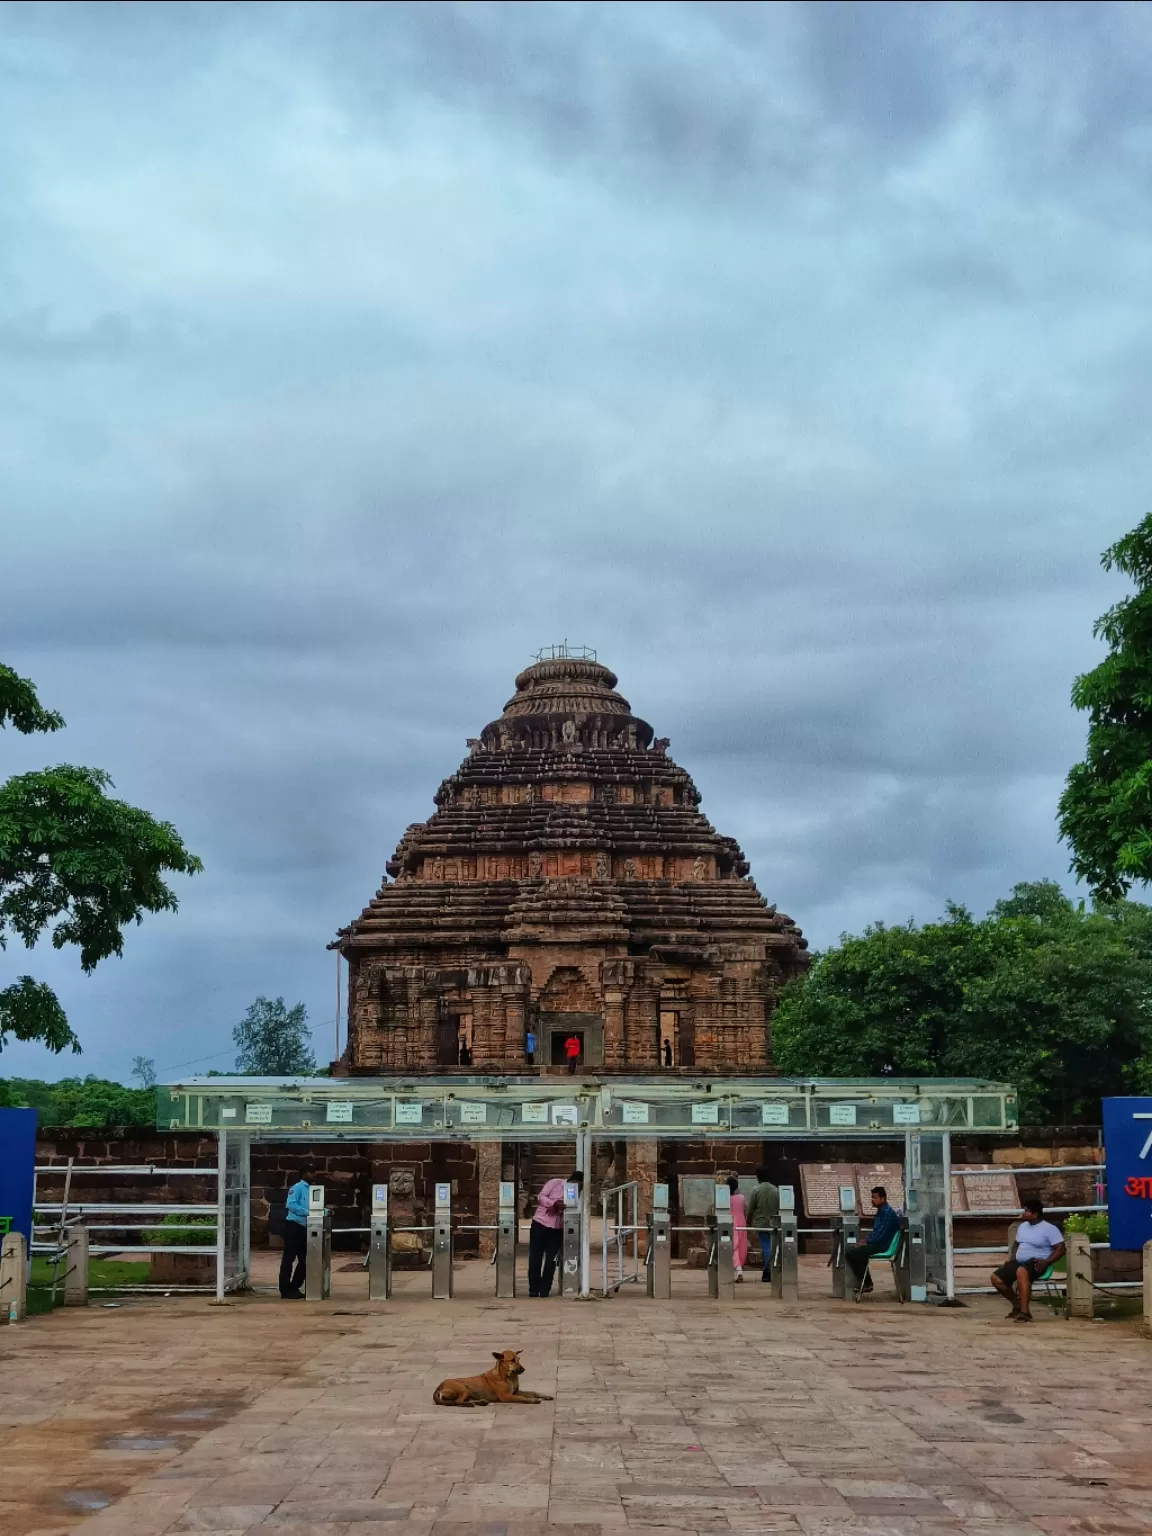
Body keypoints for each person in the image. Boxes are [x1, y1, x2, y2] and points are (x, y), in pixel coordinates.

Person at [990, 1199, 1066, 1322]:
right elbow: (1017, 1244)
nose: (1023, 1213)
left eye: (1026, 1211)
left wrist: (1046, 1262)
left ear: (1035, 1214)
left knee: (1021, 1271)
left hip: (1038, 1263)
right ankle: (1017, 1305)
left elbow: (1061, 1249)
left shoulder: (1049, 1228)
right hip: (1019, 1261)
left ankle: (1025, 1312)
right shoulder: (1022, 1227)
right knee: (996, 1279)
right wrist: (1010, 1259)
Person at [528, 1169, 582, 1296]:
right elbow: (541, 1197)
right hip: (540, 1223)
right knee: (535, 1258)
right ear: (572, 1180)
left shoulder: (578, 1195)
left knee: (551, 1260)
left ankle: (545, 1289)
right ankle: (533, 1289)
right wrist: (553, 1203)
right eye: (577, 1184)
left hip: (557, 1228)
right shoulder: (555, 1183)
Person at [846, 1186, 902, 1293]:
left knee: (856, 1252)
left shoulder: (887, 1212)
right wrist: (865, 1241)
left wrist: (866, 1242)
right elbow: (876, 1232)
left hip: (883, 1245)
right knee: (852, 1251)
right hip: (878, 1243)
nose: (873, 1200)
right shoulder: (881, 1211)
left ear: (882, 1199)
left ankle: (867, 1283)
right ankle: (866, 1282)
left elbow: (880, 1234)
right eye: (872, 1197)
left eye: (875, 1198)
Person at [280, 1171, 312, 1299]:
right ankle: (285, 1289)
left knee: (305, 1260)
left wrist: (325, 1211)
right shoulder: (297, 1188)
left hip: (304, 1227)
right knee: (289, 1259)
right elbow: (291, 1204)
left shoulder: (312, 1190)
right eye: (311, 1172)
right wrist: (307, 1212)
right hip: (294, 1226)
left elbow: (314, 1206)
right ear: (304, 1174)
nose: (313, 1174)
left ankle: (294, 1287)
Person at [744, 1166, 780, 1281]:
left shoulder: (756, 1190)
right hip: (774, 1223)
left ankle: (767, 1271)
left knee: (766, 1247)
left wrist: (748, 1220)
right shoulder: (776, 1190)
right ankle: (774, 1269)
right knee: (772, 1246)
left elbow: (751, 1209)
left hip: (761, 1223)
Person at [727, 1175, 748, 1282]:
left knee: (733, 1246)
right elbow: (745, 1210)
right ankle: (739, 1267)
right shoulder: (742, 1198)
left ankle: (738, 1269)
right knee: (741, 1245)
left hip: (731, 1221)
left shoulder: (726, 1199)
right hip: (741, 1221)